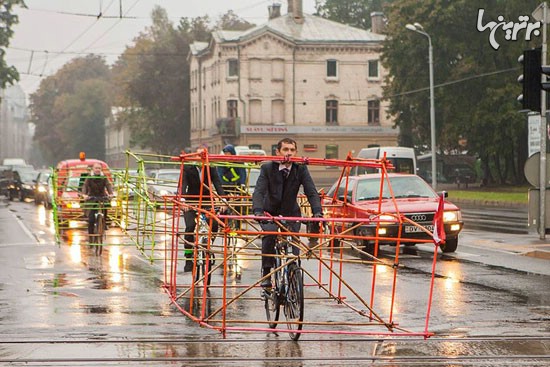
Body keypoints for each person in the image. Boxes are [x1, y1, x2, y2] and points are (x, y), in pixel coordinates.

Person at [252, 138, 323, 288]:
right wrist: (258, 212)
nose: (289, 153)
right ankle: (266, 273)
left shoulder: (300, 169)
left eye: (292, 150)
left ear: (296, 152)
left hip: (291, 212)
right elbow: (259, 191)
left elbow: (311, 192)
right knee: (269, 237)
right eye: (285, 150)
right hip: (270, 212)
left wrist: (317, 212)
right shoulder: (267, 168)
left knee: (293, 242)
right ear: (278, 152)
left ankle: (293, 273)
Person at [179, 146, 227, 272]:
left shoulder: (211, 168)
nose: (202, 158)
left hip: (206, 201)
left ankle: (207, 247)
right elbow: (183, 184)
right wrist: (183, 200)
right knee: (190, 227)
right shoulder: (187, 168)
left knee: (215, 224)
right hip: (191, 201)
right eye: (199, 155)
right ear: (195, 156)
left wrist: (223, 200)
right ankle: (188, 257)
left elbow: (217, 183)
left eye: (204, 155)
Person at [82, 163, 113, 240]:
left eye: (99, 168)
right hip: (92, 198)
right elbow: (85, 186)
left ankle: (103, 223)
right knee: (91, 219)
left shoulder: (104, 177)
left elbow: (108, 185)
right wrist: (84, 195)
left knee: (105, 209)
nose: (98, 170)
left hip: (102, 196)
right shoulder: (89, 177)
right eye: (96, 168)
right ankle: (91, 237)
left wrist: (111, 193)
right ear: (93, 169)